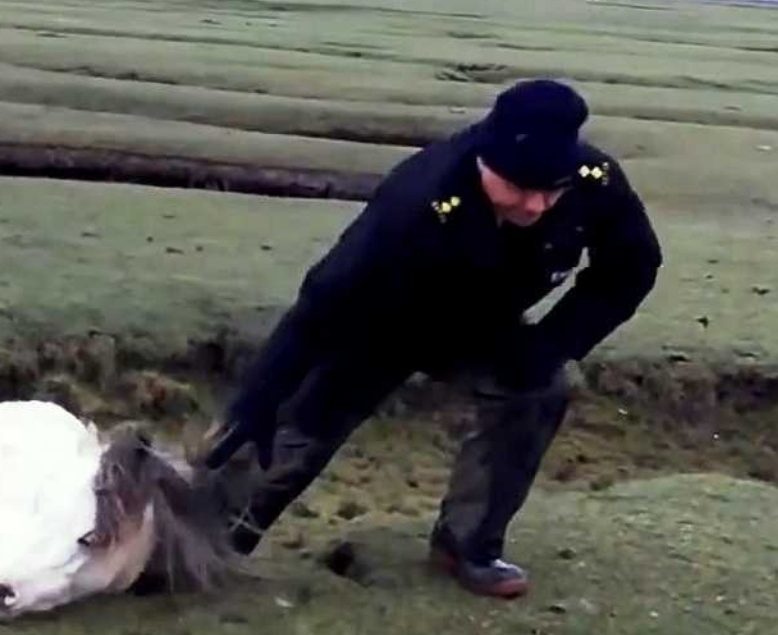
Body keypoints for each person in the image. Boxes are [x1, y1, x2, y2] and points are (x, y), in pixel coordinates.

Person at [199, 78, 663, 598]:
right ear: (486, 162)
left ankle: (469, 544)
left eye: (548, 192)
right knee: (290, 434)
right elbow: (323, 300)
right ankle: (200, 546)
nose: (534, 207)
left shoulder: (594, 183)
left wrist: (551, 344)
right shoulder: (418, 197)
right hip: (377, 323)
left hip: (484, 325)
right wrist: (259, 396)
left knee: (537, 389)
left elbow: (631, 268)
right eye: (518, 189)